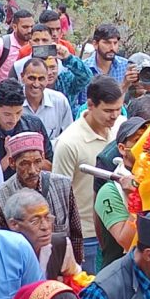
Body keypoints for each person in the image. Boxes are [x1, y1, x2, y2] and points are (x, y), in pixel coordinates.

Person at [53, 77, 125, 272]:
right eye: (108, 110)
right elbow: (59, 196)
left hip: (119, 229)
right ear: (91, 105)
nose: (114, 116)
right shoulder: (69, 143)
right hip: (87, 235)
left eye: (118, 109)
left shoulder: (120, 130)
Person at [0, 131, 82, 264]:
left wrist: (76, 267)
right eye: (24, 164)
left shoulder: (63, 185)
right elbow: (1, 246)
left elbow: (75, 233)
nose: (32, 170)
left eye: (37, 162)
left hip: (61, 266)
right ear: (12, 162)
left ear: (43, 158)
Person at [95, 117, 148, 270]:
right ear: (122, 148)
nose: (145, 146)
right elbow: (127, 241)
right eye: (138, 140)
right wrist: (136, 198)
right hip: (120, 275)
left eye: (148, 139)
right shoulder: (109, 191)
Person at [0, 79, 54, 179]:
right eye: (7, 114)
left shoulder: (34, 125)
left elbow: (51, 166)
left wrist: (30, 152)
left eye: (18, 112)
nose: (14, 119)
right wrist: (9, 156)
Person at [4, 190, 82, 281]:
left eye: (47, 218)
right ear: (14, 224)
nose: (45, 227)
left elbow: (76, 278)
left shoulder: (60, 244)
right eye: (35, 221)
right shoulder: (3, 254)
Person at [0, 9, 33, 93]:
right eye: (25, 27)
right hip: (5, 96)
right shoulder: (1, 45)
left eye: (31, 27)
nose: (29, 30)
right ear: (15, 27)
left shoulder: (35, 45)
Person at [22, 57, 72, 141]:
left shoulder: (60, 101)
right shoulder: (11, 101)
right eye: (32, 78)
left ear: (47, 79)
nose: (36, 84)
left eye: (41, 79)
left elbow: (69, 136)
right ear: (22, 77)